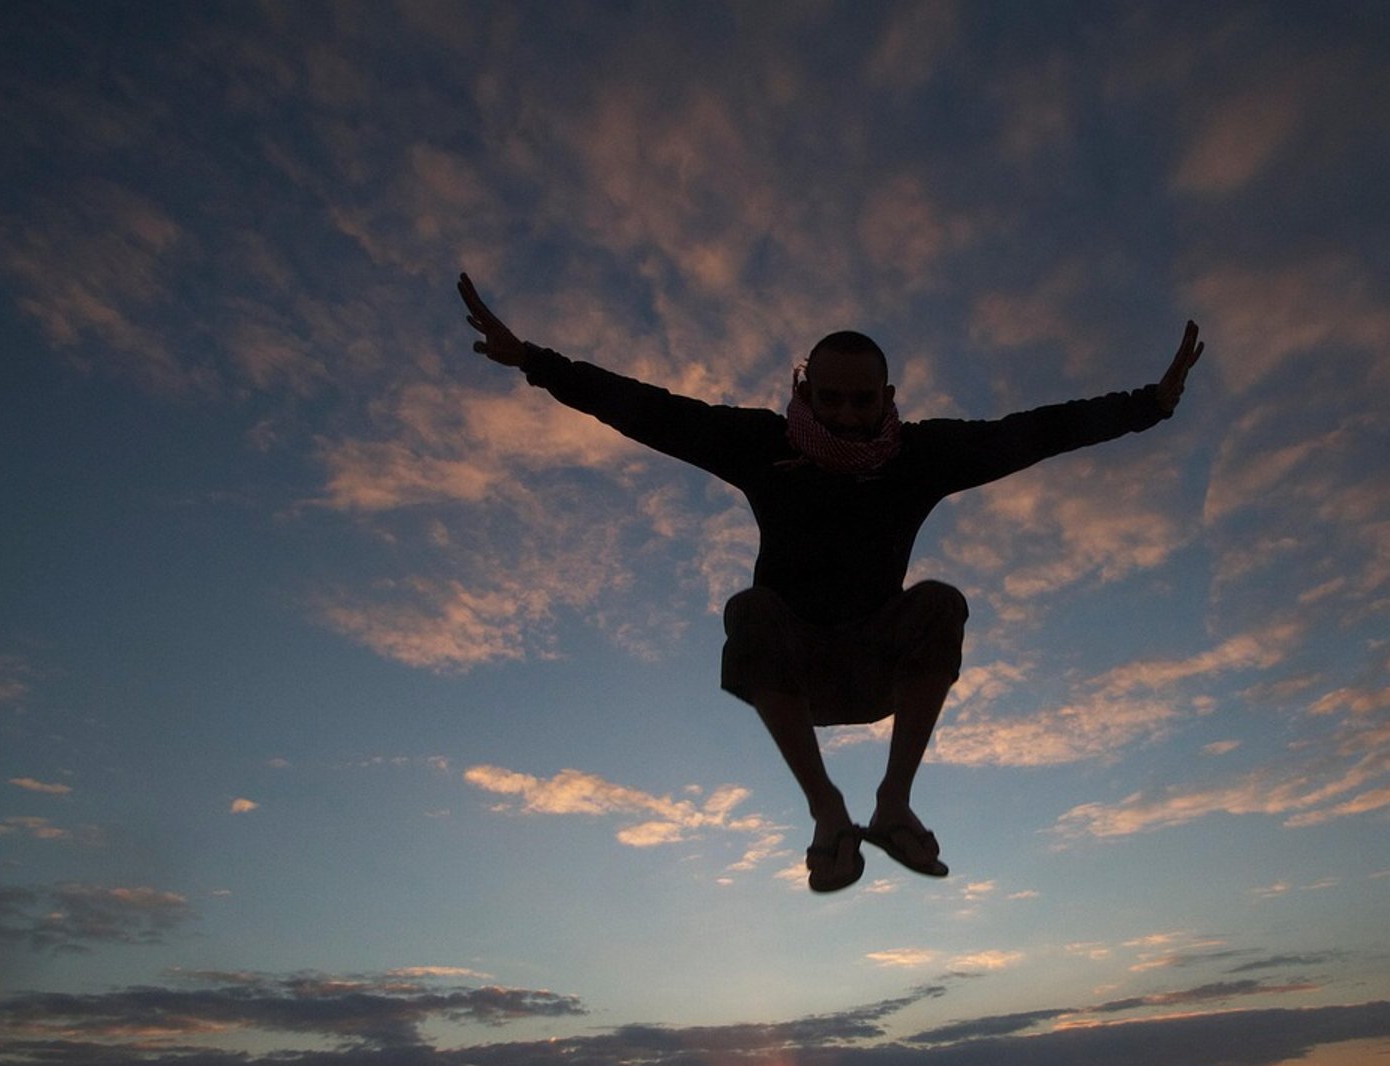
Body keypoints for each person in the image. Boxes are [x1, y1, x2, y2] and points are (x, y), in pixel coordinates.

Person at [459, 273, 1202, 893]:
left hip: (880, 668)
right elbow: (649, 411)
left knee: (940, 602)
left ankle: (893, 804)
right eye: (833, 399)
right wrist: (535, 360)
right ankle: (827, 811)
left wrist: (1146, 406)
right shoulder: (762, 446)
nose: (848, 416)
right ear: (807, 393)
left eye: (863, 400)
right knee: (750, 609)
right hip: (796, 674)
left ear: (886, 397)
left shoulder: (918, 455)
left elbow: (1036, 432)